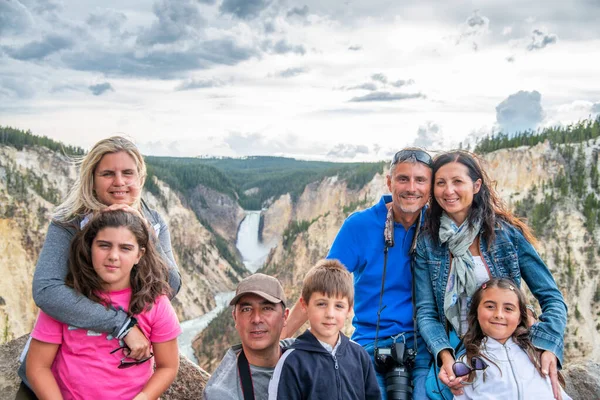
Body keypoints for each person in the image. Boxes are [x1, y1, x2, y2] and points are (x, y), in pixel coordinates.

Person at [17, 136, 181, 398]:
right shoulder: (69, 222)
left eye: (128, 173)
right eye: (107, 173)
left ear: (140, 178)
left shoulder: (153, 221)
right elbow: (47, 290)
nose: (119, 182)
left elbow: (169, 286)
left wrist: (146, 232)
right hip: (57, 375)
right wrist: (123, 325)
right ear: (91, 179)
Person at [280, 148, 434, 400]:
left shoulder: (438, 225)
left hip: (423, 345)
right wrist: (282, 337)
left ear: (430, 187)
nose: (411, 188)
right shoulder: (360, 225)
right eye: (403, 179)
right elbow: (323, 283)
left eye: (420, 180)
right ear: (389, 182)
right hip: (369, 344)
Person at [414, 151, 568, 399]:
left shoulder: (506, 235)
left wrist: (547, 345)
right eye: (440, 183)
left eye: (457, 182)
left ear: (476, 186)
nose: (448, 190)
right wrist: (445, 357)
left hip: (509, 337)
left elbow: (551, 297)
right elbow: (426, 312)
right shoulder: (428, 243)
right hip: (459, 343)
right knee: (432, 391)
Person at [26, 210, 181, 399]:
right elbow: (38, 367)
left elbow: (168, 366)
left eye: (125, 248)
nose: (113, 256)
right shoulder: (67, 302)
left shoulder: (155, 304)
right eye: (104, 245)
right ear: (90, 247)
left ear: (139, 255)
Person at [268, 260, 380, 399]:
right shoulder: (292, 361)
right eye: (321, 304)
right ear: (304, 305)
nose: (330, 314)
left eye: (339, 306)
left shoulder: (359, 356)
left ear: (350, 309)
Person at [454, 277, 572, 400]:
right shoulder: (468, 362)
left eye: (508, 309)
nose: (499, 315)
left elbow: (556, 392)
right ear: (476, 312)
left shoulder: (535, 350)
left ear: (520, 317)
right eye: (490, 306)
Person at [204, 273, 292, 400]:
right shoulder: (222, 393)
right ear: (235, 318)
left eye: (267, 308)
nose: (256, 319)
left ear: (285, 317)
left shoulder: (303, 354)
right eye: (246, 309)